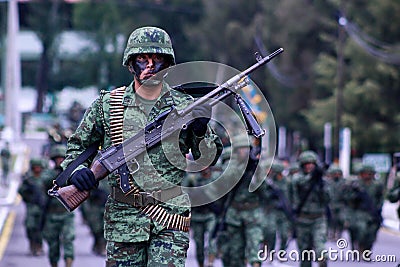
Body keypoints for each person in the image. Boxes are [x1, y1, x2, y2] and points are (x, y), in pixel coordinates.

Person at [62, 26, 223, 267]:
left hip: (169, 218)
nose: (150, 66)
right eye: (142, 59)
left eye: (158, 59)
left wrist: (200, 130)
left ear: (168, 65)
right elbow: (77, 147)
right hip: (123, 220)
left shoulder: (186, 106)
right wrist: (78, 173)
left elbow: (208, 159)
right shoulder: (108, 105)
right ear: (130, 64)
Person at [219, 135, 264, 267]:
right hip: (235, 214)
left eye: (246, 149)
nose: (244, 152)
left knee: (254, 247)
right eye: (241, 149)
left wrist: (255, 169)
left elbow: (263, 188)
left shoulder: (255, 165)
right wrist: (244, 167)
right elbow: (227, 180)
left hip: (252, 214)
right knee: (235, 252)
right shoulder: (230, 165)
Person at [290, 151, 330, 267]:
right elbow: (300, 184)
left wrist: (321, 184)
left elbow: (327, 199)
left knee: (320, 248)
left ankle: (322, 261)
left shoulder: (321, 181)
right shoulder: (297, 179)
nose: (309, 166)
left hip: (318, 219)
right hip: (302, 220)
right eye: (306, 164)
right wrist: (313, 177)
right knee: (305, 254)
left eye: (312, 164)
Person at [42, 145, 75, 267]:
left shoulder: (71, 174)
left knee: (68, 240)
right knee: (53, 243)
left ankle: (68, 264)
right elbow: (44, 182)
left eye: (62, 158)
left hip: (66, 213)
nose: (60, 161)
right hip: (52, 214)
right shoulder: (49, 174)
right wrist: (58, 175)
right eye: (57, 158)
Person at [344, 164, 384, 254]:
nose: (368, 176)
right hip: (358, 212)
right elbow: (347, 197)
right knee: (360, 230)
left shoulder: (377, 185)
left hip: (373, 213)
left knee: (372, 234)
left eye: (370, 174)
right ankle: (359, 247)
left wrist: (378, 209)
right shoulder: (355, 184)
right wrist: (355, 196)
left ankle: (366, 250)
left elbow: (380, 198)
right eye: (365, 174)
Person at [18, 158, 46, 256]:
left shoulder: (45, 177)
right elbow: (21, 191)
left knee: (40, 228)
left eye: (39, 167)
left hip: (43, 207)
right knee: (30, 226)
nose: (37, 169)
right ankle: (32, 244)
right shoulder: (28, 178)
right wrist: (28, 196)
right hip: (32, 206)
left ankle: (39, 246)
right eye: (35, 167)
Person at [325, 164, 347, 240]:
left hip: (341, 205)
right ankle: (331, 233)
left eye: (338, 173)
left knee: (340, 220)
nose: (336, 175)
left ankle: (339, 234)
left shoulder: (344, 182)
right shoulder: (328, 182)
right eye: (335, 173)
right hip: (330, 204)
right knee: (331, 220)